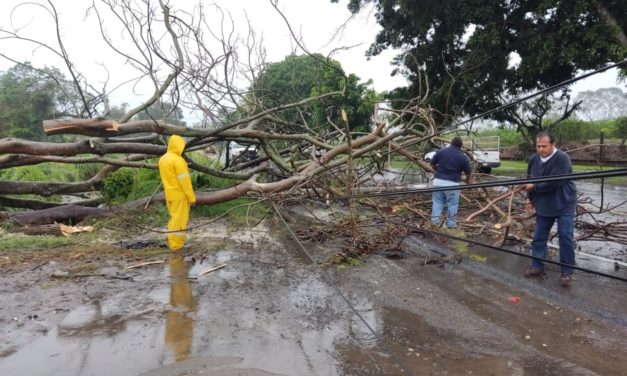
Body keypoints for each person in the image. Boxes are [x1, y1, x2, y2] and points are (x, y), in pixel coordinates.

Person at [522, 131, 577, 287]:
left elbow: (554, 183)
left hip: (563, 203)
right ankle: (537, 266)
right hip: (544, 203)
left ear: (553, 145)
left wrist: (534, 186)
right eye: (538, 146)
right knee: (539, 236)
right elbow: (529, 179)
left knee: (565, 236)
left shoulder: (562, 159)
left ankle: (567, 271)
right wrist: (529, 198)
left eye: (544, 146)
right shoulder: (533, 159)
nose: (541, 149)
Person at [158, 135, 196, 252]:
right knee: (179, 221)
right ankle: (177, 245)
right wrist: (192, 197)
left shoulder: (163, 159)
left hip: (169, 195)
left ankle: (172, 241)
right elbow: (185, 182)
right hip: (180, 196)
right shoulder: (178, 161)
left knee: (173, 219)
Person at [430, 136, 472, 228]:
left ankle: (434, 222)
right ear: (461, 146)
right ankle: (451, 224)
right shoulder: (463, 157)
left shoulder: (441, 151)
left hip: (438, 182)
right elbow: (468, 172)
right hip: (452, 184)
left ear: (451, 143)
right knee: (452, 204)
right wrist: (467, 182)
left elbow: (432, 164)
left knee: (437, 202)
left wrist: (438, 172)